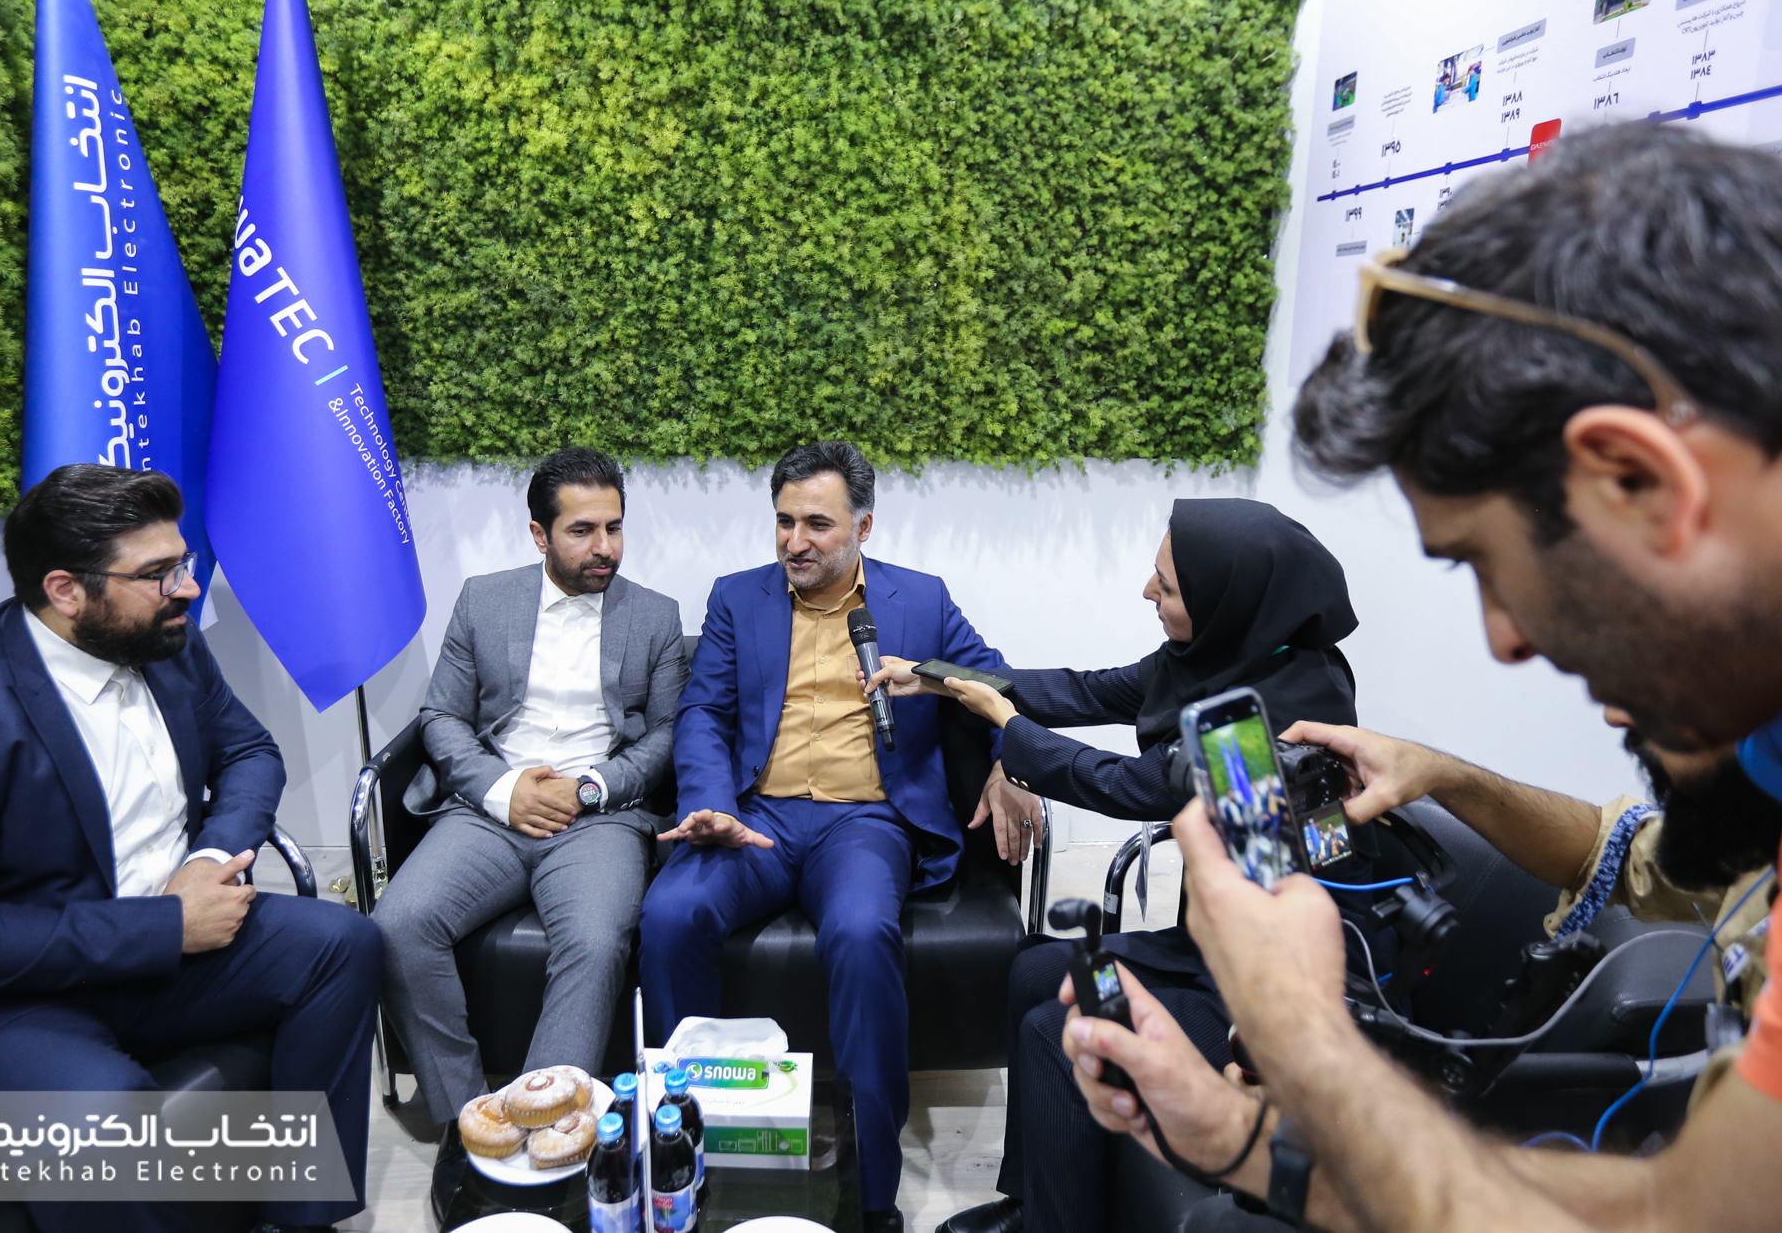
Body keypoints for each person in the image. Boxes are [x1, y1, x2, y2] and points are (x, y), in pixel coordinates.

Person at [1069, 125, 1782, 1233]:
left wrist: (1303, 1039)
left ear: (1637, 477)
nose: (1504, 639)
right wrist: (1235, 1133)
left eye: (1485, 563)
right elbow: (1634, 863)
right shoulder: (1753, 776)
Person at [0, 464, 382, 1233]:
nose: (187, 588)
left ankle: (302, 1217)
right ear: (66, 590)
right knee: (106, 1125)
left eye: (183, 562)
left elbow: (248, 751)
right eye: (157, 573)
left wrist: (206, 861)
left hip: (145, 948)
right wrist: (167, 926)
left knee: (342, 944)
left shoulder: (166, 642)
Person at [871, 498, 1372, 1233]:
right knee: (1037, 968)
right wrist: (935, 676)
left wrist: (1009, 728)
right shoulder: (1223, 653)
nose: (1147, 591)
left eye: (1166, 585)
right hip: (1212, 946)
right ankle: (1033, 1201)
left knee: (1054, 1028)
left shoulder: (1290, 709)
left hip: (1276, 991)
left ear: (1224, 598)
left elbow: (1126, 786)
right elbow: (1082, 689)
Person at [638, 440, 1025, 1232]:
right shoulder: (738, 597)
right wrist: (711, 801)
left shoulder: (920, 599)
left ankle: (872, 1194)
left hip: (865, 821)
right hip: (758, 817)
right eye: (784, 522)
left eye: (817, 523)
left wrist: (1010, 761)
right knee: (670, 915)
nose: (795, 541)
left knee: (860, 930)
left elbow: (993, 680)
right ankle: (687, 1157)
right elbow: (704, 711)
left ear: (863, 527)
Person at [372, 447, 687, 1223]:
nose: (604, 547)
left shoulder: (654, 614)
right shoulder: (484, 600)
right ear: (540, 534)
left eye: (614, 527)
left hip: (597, 816)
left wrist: (588, 786)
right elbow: (441, 717)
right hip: (492, 808)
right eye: (582, 530)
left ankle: (555, 1138)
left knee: (595, 941)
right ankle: (471, 1124)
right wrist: (506, 788)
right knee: (398, 923)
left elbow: (665, 740)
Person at [1288, 709, 1781, 1106]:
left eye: (1657, 669)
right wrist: (1440, 772)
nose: (1614, 714)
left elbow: (1706, 1193)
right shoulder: (1757, 834)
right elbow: (1625, 853)